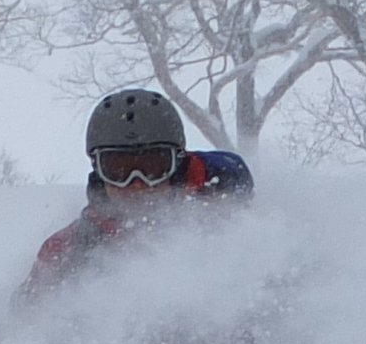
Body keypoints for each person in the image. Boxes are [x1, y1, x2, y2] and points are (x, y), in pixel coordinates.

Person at [21, 88, 252, 296]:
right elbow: (26, 319)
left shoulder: (221, 207)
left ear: (176, 165)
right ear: (98, 170)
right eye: (118, 170)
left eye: (153, 168)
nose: (137, 185)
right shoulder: (70, 250)